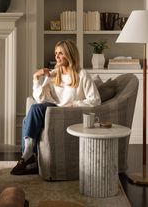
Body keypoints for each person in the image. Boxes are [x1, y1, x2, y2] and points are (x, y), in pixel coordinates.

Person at [10, 39, 101, 175]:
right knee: (34, 109)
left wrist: (75, 104)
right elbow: (39, 98)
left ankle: (28, 157)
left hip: (69, 113)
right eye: (56, 53)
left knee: (29, 117)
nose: (56, 57)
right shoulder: (54, 73)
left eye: (60, 53)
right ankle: (28, 155)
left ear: (69, 55)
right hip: (54, 110)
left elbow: (95, 100)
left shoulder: (82, 74)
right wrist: (36, 78)